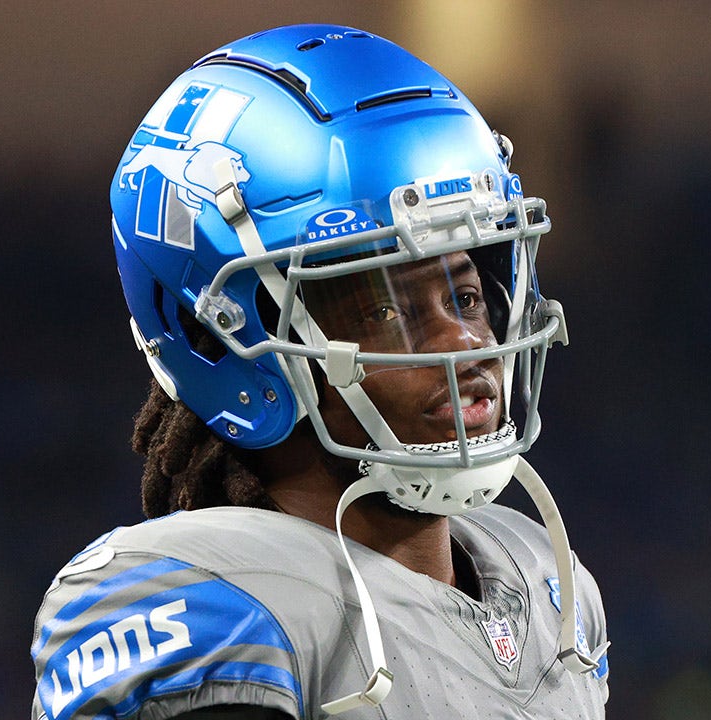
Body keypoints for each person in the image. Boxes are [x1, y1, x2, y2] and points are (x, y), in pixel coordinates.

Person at [30, 23, 610, 719]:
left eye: (465, 296)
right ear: (222, 336)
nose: (463, 339)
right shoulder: (208, 607)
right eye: (386, 310)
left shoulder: (548, 584)